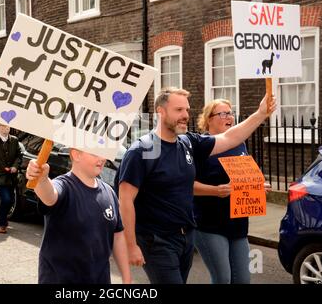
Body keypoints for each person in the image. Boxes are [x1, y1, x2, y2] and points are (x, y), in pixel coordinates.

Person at [115, 87, 276, 284]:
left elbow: (229, 137)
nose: (185, 116)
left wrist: (261, 114)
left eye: (187, 110)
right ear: (160, 112)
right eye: (178, 110)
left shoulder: (187, 142)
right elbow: (125, 201)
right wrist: (131, 246)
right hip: (156, 240)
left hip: (185, 236)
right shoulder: (141, 151)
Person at [193, 99, 272, 284]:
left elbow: (242, 179)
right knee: (223, 278)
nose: (229, 117)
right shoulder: (200, 146)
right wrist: (215, 191)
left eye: (230, 113)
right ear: (208, 119)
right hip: (208, 223)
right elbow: (185, 185)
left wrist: (257, 188)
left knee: (243, 279)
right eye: (223, 113)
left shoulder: (239, 145)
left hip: (237, 223)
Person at [26, 148, 131, 284]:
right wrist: (41, 179)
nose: (102, 158)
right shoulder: (65, 186)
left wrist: (127, 278)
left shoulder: (109, 193)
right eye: (94, 152)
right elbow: (50, 195)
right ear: (76, 154)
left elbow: (117, 236)